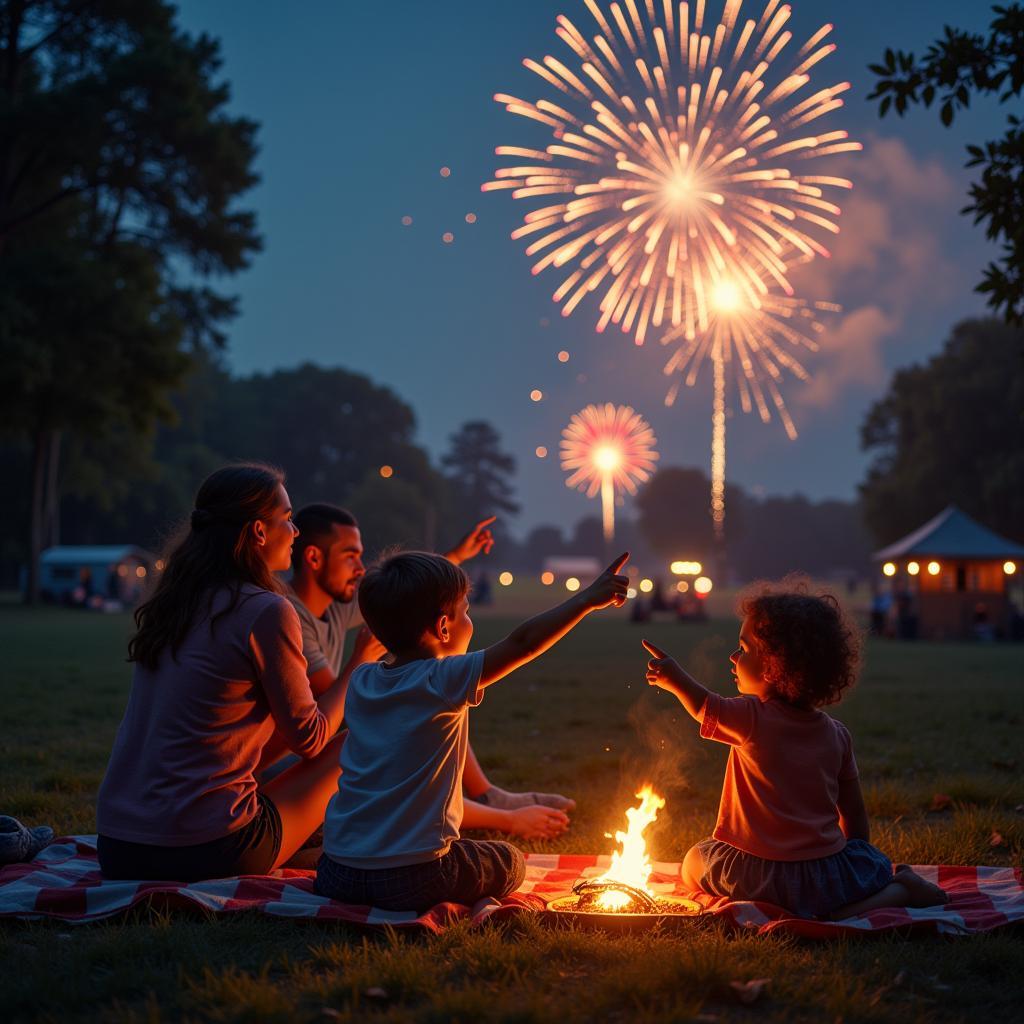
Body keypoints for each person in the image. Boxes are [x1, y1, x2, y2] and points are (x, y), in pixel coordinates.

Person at [314, 551, 630, 912]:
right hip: (413, 879)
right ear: (443, 627)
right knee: (509, 861)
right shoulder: (442, 678)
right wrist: (586, 600)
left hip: (336, 874)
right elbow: (523, 643)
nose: (470, 619)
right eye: (466, 611)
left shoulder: (361, 680)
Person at [96, 464, 348, 881]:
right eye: (287, 519)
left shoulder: (174, 603)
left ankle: (318, 842)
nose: (296, 530)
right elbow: (311, 739)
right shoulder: (266, 610)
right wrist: (358, 666)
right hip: (209, 848)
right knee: (354, 743)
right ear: (258, 532)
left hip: (119, 848)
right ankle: (388, 849)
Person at [641, 578, 948, 920]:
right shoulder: (837, 734)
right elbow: (855, 818)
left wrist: (674, 678)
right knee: (830, 907)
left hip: (757, 875)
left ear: (773, 666)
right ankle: (897, 893)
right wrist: (854, 864)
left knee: (693, 862)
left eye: (743, 649)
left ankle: (857, 901)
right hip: (821, 876)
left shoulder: (751, 718)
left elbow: (704, 706)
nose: (733, 656)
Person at [283, 503, 573, 841]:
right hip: (296, 762)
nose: (361, 568)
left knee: (431, 706)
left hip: (342, 842)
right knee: (425, 710)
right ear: (314, 558)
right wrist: (359, 659)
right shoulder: (289, 619)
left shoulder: (334, 609)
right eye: (350, 556)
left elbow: (402, 597)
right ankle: (500, 813)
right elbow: (339, 702)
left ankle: (488, 796)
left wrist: (456, 555)